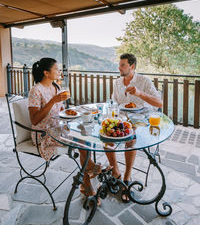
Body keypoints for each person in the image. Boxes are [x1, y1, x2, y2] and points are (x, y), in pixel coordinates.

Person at [28, 57, 101, 202]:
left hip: (58, 128)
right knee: (81, 140)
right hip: (43, 133)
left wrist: (71, 112)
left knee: (85, 133)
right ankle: (88, 174)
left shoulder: (56, 87)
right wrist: (53, 101)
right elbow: (34, 120)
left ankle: (87, 179)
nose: (59, 71)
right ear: (46, 73)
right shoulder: (36, 91)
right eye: (56, 69)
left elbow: (60, 112)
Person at [106, 53, 162, 202]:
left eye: (122, 65)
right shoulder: (117, 82)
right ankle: (116, 172)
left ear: (132, 66)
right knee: (106, 137)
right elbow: (115, 102)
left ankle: (127, 177)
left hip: (141, 121)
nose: (119, 68)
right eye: (119, 65)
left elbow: (159, 103)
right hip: (122, 119)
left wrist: (139, 93)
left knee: (130, 138)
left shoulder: (144, 81)